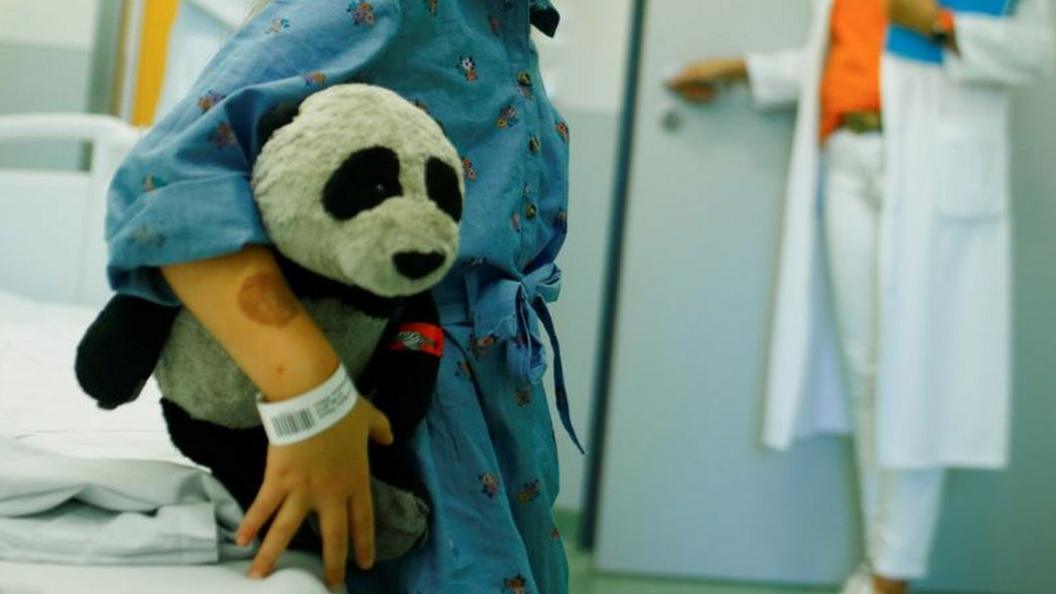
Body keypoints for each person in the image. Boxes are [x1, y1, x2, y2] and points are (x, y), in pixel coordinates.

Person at [105, 0, 579, 592]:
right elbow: (170, 186)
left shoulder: (504, 20)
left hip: (497, 408)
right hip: (402, 420)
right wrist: (315, 401)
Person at [669, 0, 1054, 593]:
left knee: (918, 376)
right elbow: (845, 59)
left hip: (932, 166)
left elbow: (1039, 50)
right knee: (868, 374)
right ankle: (881, 565)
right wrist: (743, 71)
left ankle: (889, 572)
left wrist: (937, 24)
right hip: (848, 162)